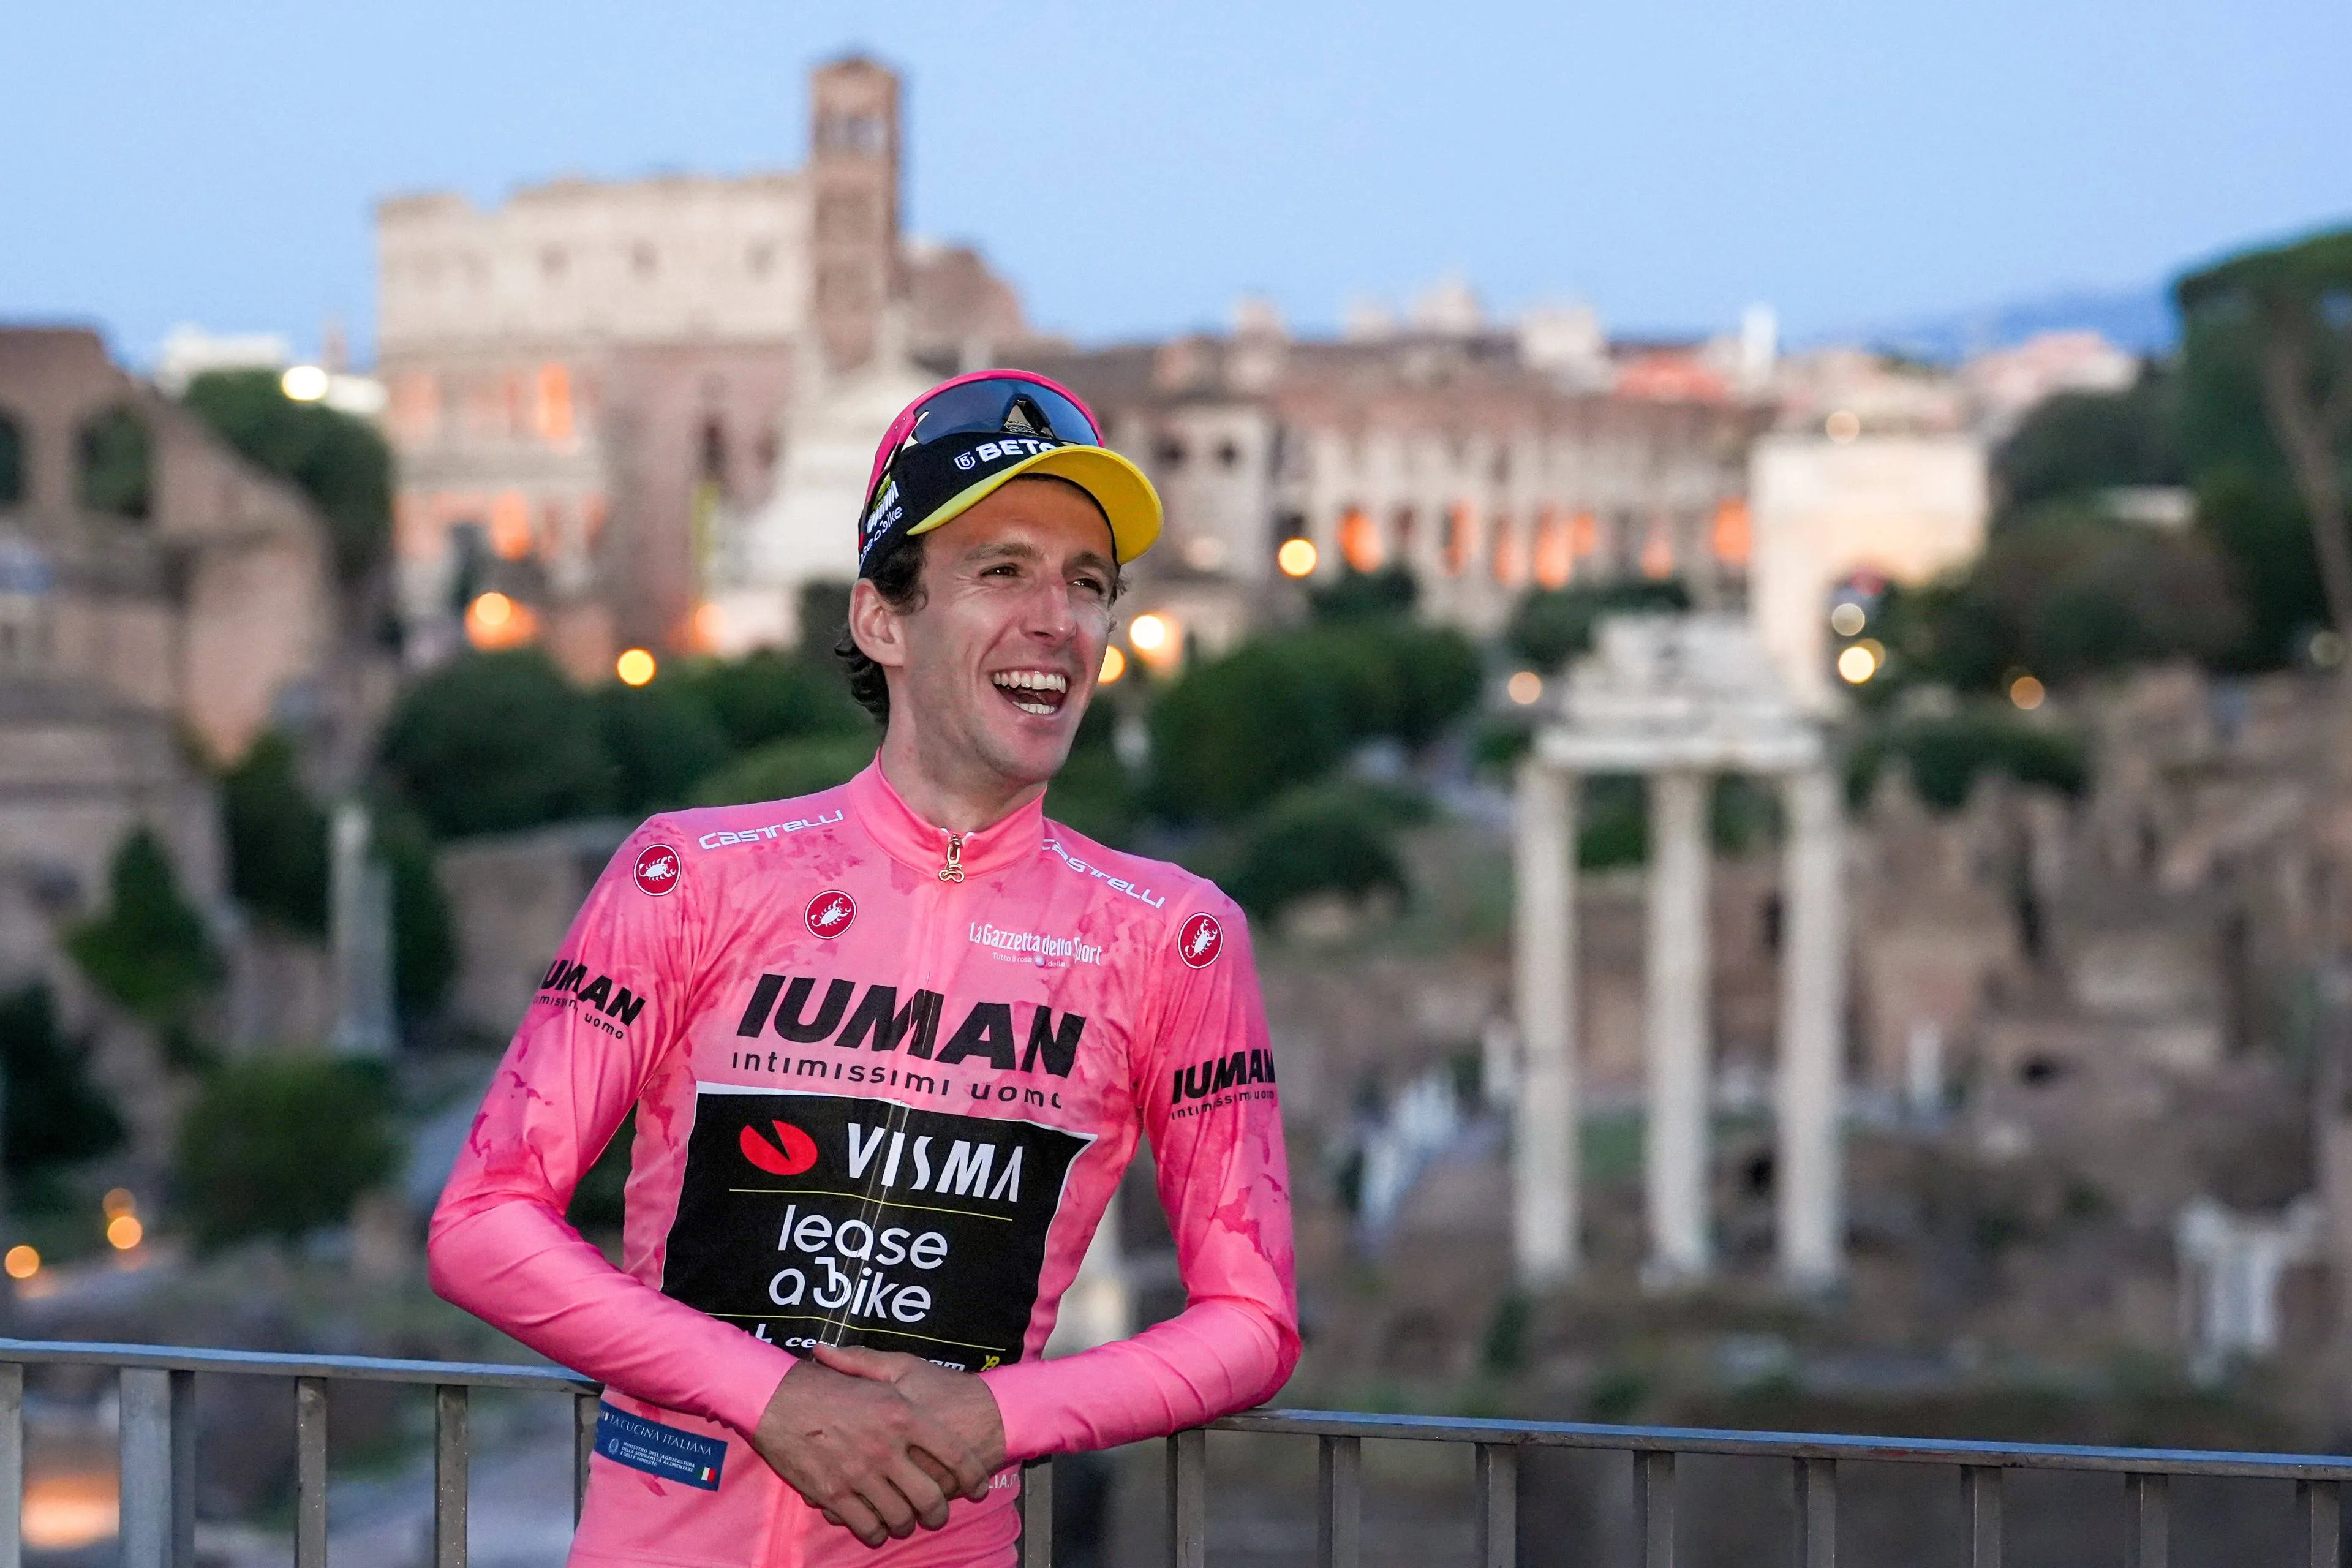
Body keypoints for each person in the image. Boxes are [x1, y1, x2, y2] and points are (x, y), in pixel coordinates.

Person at [429, 369, 1299, 1566]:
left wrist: (998, 1413)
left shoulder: (1173, 933)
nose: (1059, 617)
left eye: (1089, 584)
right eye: (1003, 571)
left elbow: (1252, 1321)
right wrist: (773, 1394)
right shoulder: (689, 874)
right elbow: (480, 1222)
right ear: (885, 618)